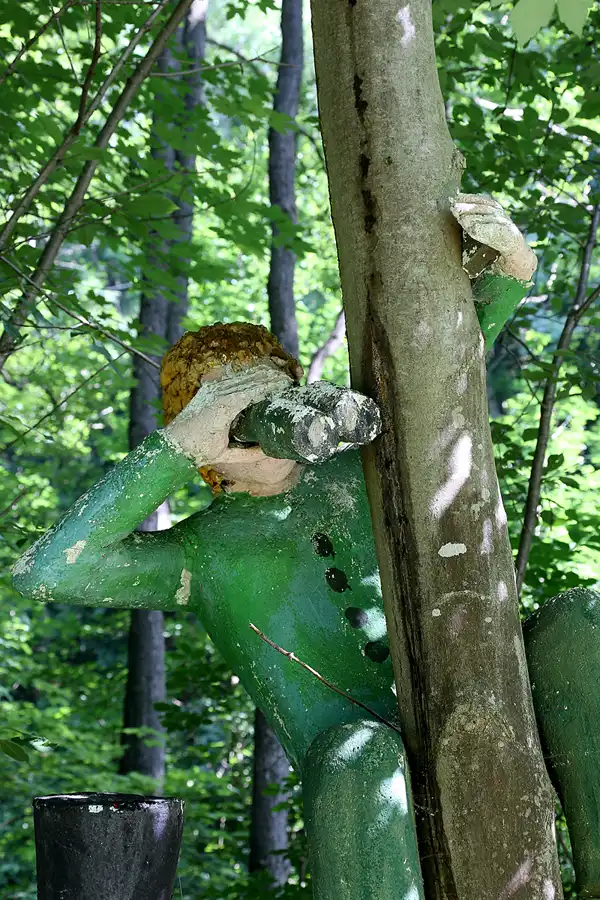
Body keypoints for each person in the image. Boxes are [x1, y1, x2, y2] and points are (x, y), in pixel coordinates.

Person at [13, 194, 551, 900]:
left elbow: (440, 373)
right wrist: (179, 447)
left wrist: (511, 268)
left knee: (583, 621)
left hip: (486, 695)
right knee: (359, 759)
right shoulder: (204, 553)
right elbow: (43, 572)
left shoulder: (359, 468)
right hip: (360, 775)